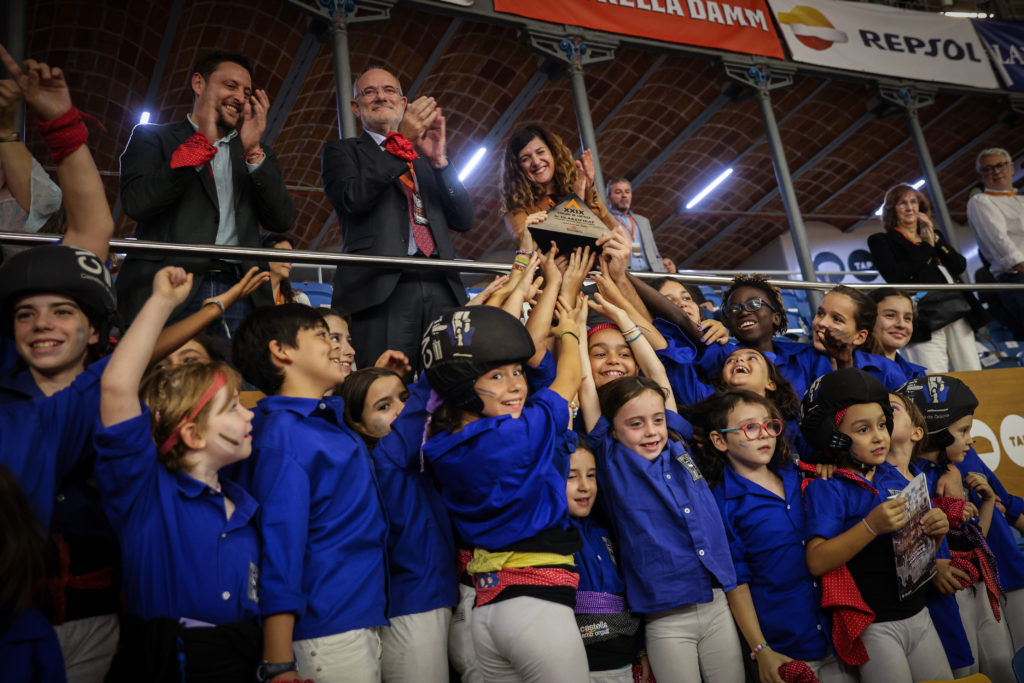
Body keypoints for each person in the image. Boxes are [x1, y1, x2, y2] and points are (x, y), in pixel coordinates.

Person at [95, 266, 261, 682]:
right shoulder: (145, 493)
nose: (248, 413)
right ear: (191, 432)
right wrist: (163, 302)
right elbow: (116, 387)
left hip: (240, 661)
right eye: (232, 408)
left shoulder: (243, 504)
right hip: (167, 662)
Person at [420, 301, 590, 682]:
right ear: (463, 386)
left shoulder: (439, 445)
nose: (516, 384)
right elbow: (569, 380)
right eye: (496, 376)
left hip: (484, 610)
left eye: (517, 372)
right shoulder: (516, 436)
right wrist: (570, 331)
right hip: (535, 607)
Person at [231, 303, 389, 682]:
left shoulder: (322, 422)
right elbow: (279, 549)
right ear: (281, 352)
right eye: (322, 336)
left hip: (356, 616)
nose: (336, 347)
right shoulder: (284, 436)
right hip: (326, 630)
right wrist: (279, 660)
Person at [117, 50, 296, 332]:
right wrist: (199, 147)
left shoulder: (256, 152)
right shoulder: (152, 137)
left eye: (247, 92)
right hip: (171, 284)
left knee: (237, 377)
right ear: (199, 84)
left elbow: (282, 220)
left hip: (242, 290)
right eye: (230, 86)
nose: (240, 96)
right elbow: (137, 203)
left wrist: (253, 152)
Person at [691, 390, 855, 683]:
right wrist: (761, 649)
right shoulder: (722, 505)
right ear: (719, 440)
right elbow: (737, 584)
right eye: (750, 427)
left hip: (840, 634)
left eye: (769, 425)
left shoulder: (801, 477)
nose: (765, 434)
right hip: (787, 648)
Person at [800, 368, 952, 682]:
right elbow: (816, 561)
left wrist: (936, 533)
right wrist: (870, 526)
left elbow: (917, 555)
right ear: (835, 436)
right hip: (876, 626)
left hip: (919, 613)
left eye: (882, 424)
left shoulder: (894, 476)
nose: (879, 436)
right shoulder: (828, 488)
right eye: (863, 429)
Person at [322, 66, 474, 372]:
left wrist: (441, 162)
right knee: (384, 385)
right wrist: (400, 141)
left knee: (451, 386)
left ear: (403, 102)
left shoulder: (426, 158)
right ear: (356, 107)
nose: (380, 96)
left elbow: (464, 219)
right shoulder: (342, 151)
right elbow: (354, 198)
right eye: (369, 91)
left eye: (389, 90)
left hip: (441, 285)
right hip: (381, 288)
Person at [340, 367, 457, 682]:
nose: (403, 410)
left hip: (437, 597)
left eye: (404, 398)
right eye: (384, 406)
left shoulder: (411, 455)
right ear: (356, 424)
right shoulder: (385, 459)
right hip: (414, 608)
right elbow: (423, 403)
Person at [868, 184, 984, 373]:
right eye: (902, 203)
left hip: (956, 307)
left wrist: (934, 239)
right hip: (921, 314)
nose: (909, 207)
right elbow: (895, 275)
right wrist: (926, 246)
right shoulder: (881, 240)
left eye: (913, 202)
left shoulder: (934, 235)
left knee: (970, 368)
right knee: (932, 374)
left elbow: (959, 266)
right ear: (892, 209)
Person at [564, 437, 648, 682]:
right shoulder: (556, 533)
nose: (585, 486)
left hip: (622, 660)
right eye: (571, 476)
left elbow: (626, 597)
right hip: (580, 664)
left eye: (591, 475)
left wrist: (640, 647)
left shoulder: (604, 529)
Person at [501, 125, 617, 246]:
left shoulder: (575, 185)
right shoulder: (515, 206)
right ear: (517, 168)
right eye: (525, 159)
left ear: (553, 153)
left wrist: (588, 186)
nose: (536, 162)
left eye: (540, 152)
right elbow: (528, 244)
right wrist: (575, 201)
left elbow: (611, 231)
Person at [966, 147, 1024, 335]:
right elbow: (1001, 244)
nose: (996, 171)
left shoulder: (1021, 201)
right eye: (988, 168)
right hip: (1017, 278)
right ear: (981, 176)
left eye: (1000, 165)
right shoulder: (981, 201)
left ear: (1011, 168)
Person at [605, 177, 668, 273]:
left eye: (627, 192)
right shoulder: (605, 219)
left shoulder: (643, 221)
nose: (624, 195)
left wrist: (662, 273)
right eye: (618, 192)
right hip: (624, 273)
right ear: (608, 198)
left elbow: (654, 251)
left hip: (652, 273)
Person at [868, 288, 926, 384]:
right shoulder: (852, 365)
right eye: (890, 315)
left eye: (907, 318)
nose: (901, 324)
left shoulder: (917, 374)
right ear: (869, 319)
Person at [262, 234, 310, 306]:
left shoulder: (299, 300)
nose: (290, 261)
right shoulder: (248, 294)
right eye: (284, 253)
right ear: (265, 255)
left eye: (291, 256)